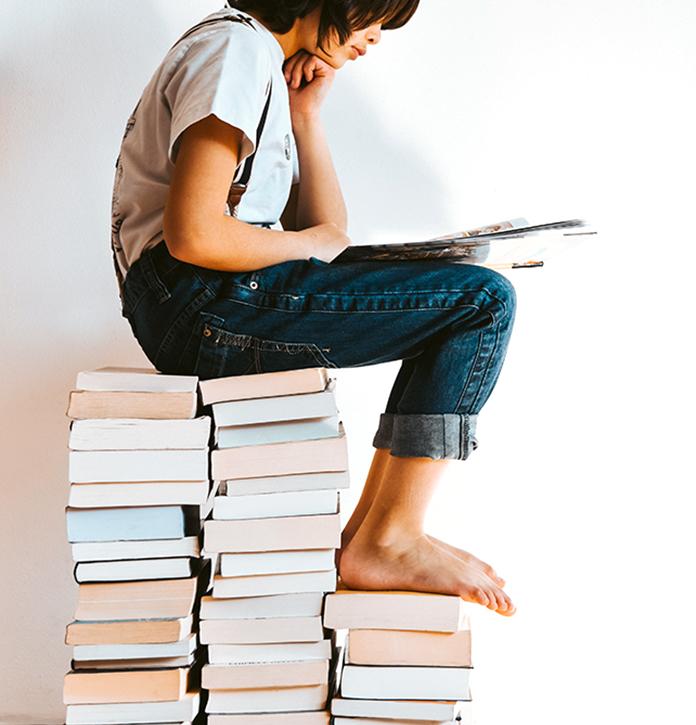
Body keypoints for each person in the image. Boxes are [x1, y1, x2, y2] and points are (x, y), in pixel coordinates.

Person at [113, 0, 517, 616]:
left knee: (469, 288)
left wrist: (305, 116)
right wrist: (306, 245)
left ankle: (372, 538)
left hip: (209, 295)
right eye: (377, 17)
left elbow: (329, 234)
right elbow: (194, 234)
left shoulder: (256, 62)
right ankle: (390, 538)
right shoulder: (237, 51)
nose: (377, 38)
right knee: (481, 301)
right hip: (198, 301)